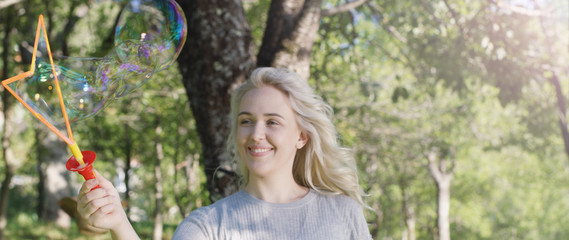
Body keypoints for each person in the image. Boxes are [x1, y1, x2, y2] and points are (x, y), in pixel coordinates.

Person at [77, 67, 372, 239]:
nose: (256, 134)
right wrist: (119, 223)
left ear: (302, 136)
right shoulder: (207, 226)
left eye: (272, 122)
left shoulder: (342, 213)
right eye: (246, 121)